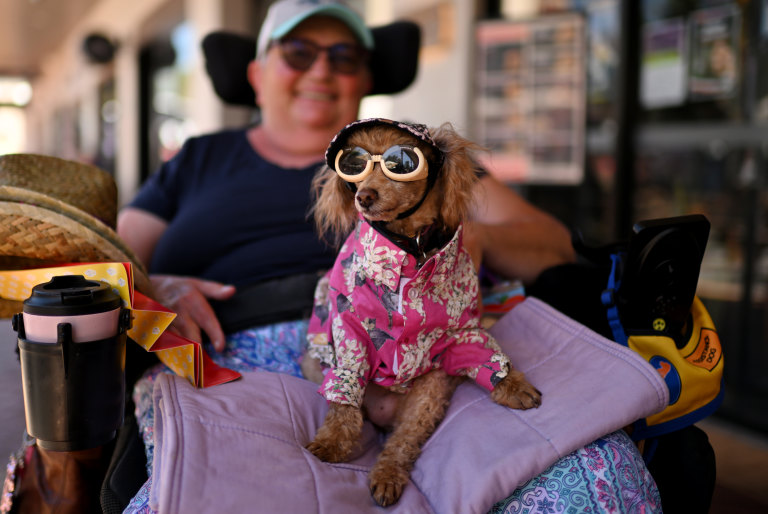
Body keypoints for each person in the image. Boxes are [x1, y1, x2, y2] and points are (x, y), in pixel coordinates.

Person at [116, 1, 660, 512]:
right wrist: (157, 286)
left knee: (600, 481)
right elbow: (106, 259)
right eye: (298, 52)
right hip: (239, 352)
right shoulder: (199, 158)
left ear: (367, 78)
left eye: (344, 56)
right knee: (191, 496)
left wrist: (480, 239)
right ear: (258, 75)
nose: (322, 70)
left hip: (430, 346)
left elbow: (552, 242)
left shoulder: (419, 157)